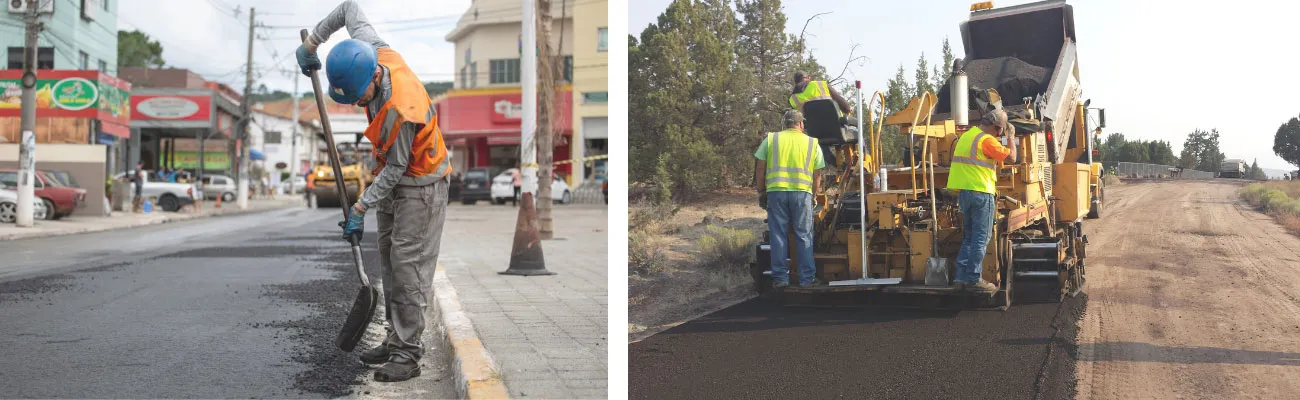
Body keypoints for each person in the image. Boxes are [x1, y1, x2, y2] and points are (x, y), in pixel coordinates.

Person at [298, 0, 453, 382]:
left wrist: (360, 207)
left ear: (372, 79)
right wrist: (313, 43)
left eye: (358, 98)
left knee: (408, 267)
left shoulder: (402, 107)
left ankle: (408, 355)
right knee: (387, 257)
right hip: (393, 174)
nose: (357, 105)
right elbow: (349, 7)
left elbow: (399, 168)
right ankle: (394, 337)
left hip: (422, 181)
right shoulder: (371, 48)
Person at [946, 109, 1018, 293]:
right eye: (1000, 131)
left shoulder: (967, 136)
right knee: (981, 237)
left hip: (965, 193)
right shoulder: (986, 140)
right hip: (981, 193)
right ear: (997, 128)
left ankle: (961, 278)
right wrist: (1011, 136)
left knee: (969, 237)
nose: (999, 134)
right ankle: (973, 278)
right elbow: (1012, 157)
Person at [754, 109, 825, 289]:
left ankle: (780, 278)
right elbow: (817, 175)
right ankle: (807, 279)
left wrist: (761, 190)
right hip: (802, 193)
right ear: (801, 124)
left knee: (778, 235)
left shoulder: (771, 139)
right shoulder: (812, 143)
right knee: (804, 235)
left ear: (784, 124)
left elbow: (760, 168)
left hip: (776, 193)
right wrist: (814, 195)